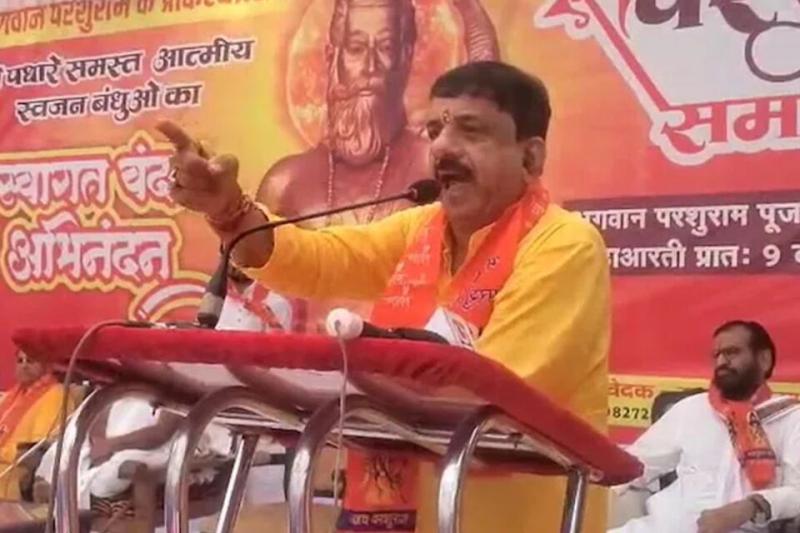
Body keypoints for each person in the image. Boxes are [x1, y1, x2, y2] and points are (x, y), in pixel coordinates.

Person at [157, 60, 611, 532]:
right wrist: (229, 210)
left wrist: (360, 376)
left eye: (471, 131)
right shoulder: (421, 228)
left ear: (530, 158)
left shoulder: (564, 245)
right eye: (434, 131)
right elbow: (313, 260)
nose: (443, 148)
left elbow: (495, 393)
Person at [260, 0, 499, 226]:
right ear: (333, 57)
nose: (370, 66)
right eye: (356, 48)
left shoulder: (434, 166)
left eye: (386, 47)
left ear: (405, 55)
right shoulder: (285, 184)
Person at [610, 321, 800, 533]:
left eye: (732, 352)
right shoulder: (692, 409)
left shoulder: (791, 418)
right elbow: (635, 466)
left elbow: (797, 491)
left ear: (764, 360)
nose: (722, 362)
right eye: (717, 355)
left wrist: (749, 507)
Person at [0, 350, 73, 500]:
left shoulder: (56, 396)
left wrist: (3, 452)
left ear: (46, 365)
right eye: (20, 361)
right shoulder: (13, 395)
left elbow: (35, 449)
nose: (24, 366)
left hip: (18, 469)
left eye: (30, 361)